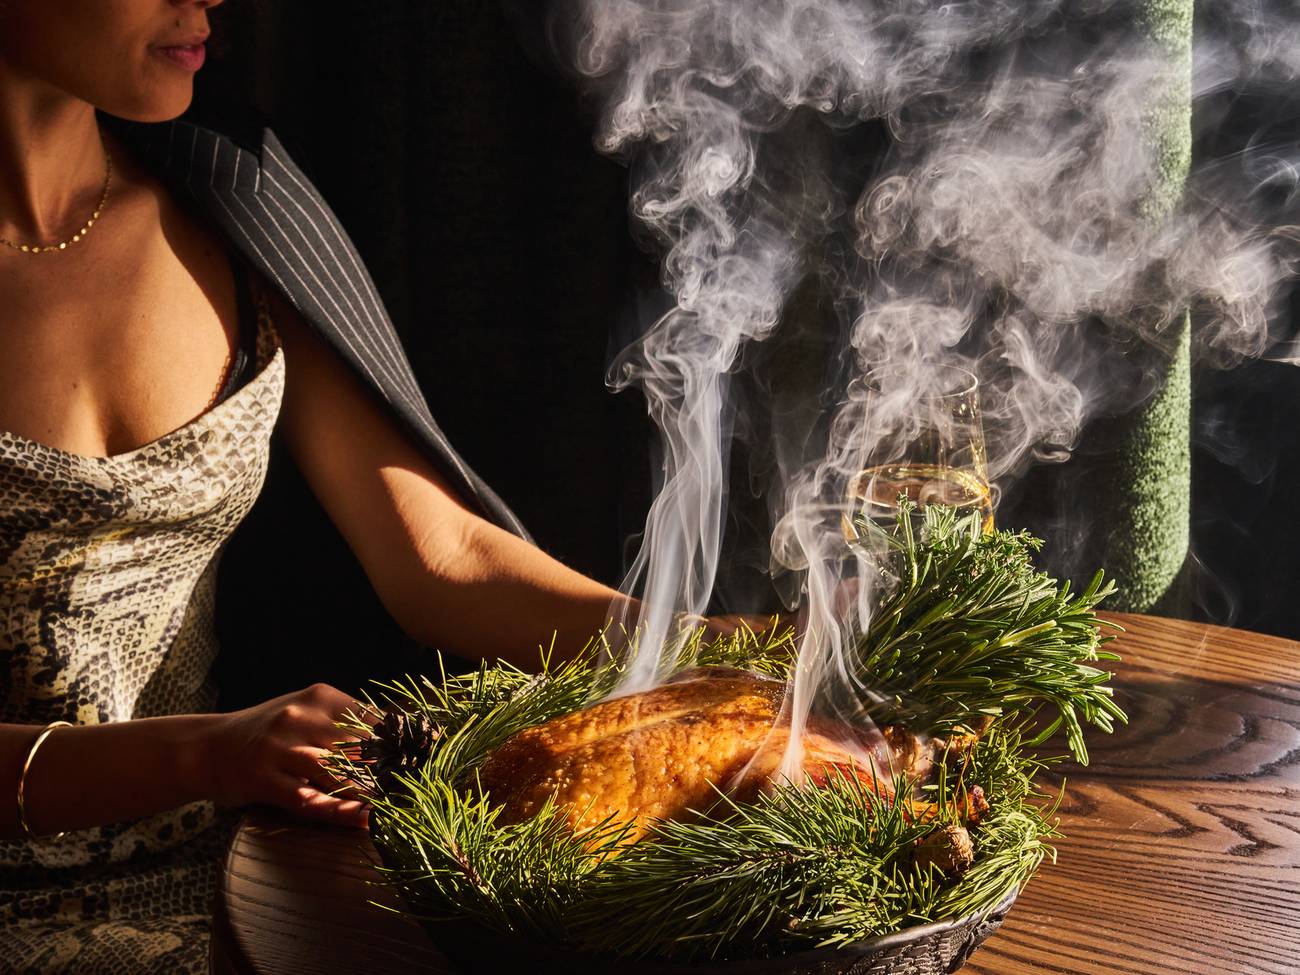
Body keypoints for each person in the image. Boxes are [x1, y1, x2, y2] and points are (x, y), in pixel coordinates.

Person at [0, 1, 750, 970]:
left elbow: (440, 556)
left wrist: (721, 650)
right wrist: (209, 753)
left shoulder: (231, 198)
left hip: (226, 888)